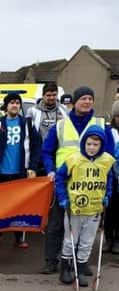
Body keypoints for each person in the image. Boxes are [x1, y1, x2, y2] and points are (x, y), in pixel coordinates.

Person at [40, 86, 115, 274]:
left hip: (90, 183)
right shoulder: (60, 125)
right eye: (83, 98)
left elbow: (110, 154)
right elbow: (47, 151)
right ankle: (52, 260)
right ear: (74, 102)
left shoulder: (100, 123)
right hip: (64, 181)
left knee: (85, 226)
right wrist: (50, 170)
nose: (87, 102)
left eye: (90, 98)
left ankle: (80, 262)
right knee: (58, 223)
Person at [55, 126, 114, 286]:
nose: (92, 148)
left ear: (101, 145)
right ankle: (66, 269)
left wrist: (107, 195)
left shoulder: (107, 161)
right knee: (70, 240)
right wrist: (62, 197)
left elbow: (109, 180)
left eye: (96, 145)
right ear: (84, 144)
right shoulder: (74, 159)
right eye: (89, 144)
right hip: (75, 207)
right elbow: (59, 178)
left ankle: (80, 269)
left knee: (87, 241)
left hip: (95, 208)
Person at [0, 93, 40, 248]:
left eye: (17, 103)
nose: (15, 105)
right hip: (0, 173)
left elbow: (36, 146)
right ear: (6, 106)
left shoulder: (26, 124)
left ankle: (19, 237)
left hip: (19, 172)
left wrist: (33, 167)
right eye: (12, 103)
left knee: (19, 206)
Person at [26, 82, 67, 175]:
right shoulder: (32, 111)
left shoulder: (64, 110)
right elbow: (28, 134)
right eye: (48, 95)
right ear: (43, 96)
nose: (52, 98)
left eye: (54, 95)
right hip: (39, 155)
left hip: (58, 153)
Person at [103, 100, 119, 253]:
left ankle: (117, 240)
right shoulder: (109, 131)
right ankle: (108, 239)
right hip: (111, 175)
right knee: (110, 210)